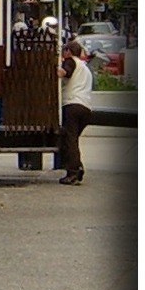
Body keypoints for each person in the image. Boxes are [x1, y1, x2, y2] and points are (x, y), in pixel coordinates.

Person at [56, 40, 92, 185]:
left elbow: (64, 73)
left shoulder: (70, 61)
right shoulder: (85, 68)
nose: (63, 54)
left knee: (70, 140)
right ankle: (78, 166)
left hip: (72, 105)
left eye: (64, 51)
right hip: (86, 107)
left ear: (69, 51)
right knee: (72, 140)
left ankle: (73, 172)